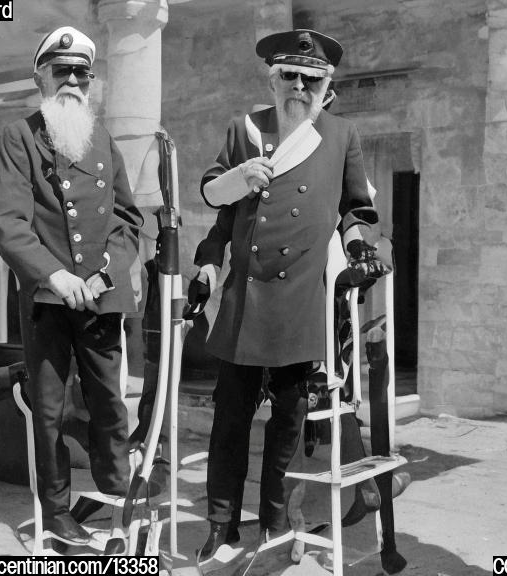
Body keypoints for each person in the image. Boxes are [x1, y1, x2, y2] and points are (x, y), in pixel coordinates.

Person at [193, 28, 386, 570]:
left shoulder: (342, 135)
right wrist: (238, 177)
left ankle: (275, 524)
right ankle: (220, 528)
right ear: (272, 80)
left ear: (326, 86)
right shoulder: (245, 129)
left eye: (310, 79)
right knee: (229, 424)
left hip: (302, 303)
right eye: (289, 77)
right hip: (244, 303)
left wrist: (356, 247)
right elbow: (213, 196)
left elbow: (357, 209)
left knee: (288, 428)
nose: (298, 87)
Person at [0, 27, 143, 546]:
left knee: (109, 404)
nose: (73, 82)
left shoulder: (101, 138)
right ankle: (55, 512)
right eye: (62, 72)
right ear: (41, 77)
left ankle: (118, 502)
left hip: (100, 296)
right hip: (49, 299)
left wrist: (110, 273)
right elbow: (8, 222)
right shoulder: (20, 136)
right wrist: (56, 275)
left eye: (82, 73)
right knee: (49, 410)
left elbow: (126, 217)